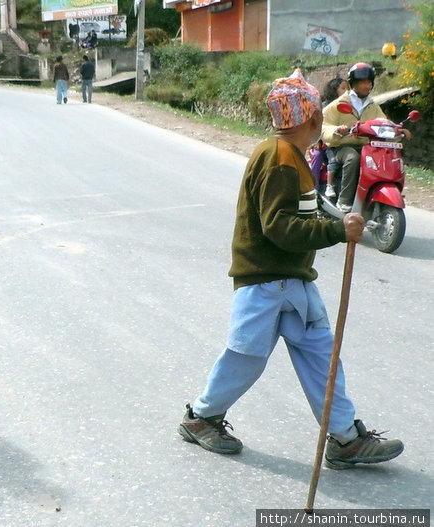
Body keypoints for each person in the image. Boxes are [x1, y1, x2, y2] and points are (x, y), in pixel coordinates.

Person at [178, 69, 403, 469]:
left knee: (321, 355)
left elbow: (308, 206)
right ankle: (201, 417)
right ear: (314, 118)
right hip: (265, 280)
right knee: (245, 358)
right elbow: (278, 226)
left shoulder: (290, 155)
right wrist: (336, 230)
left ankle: (346, 437)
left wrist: (341, 220)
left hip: (291, 281)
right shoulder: (280, 159)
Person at [321, 62, 411, 212]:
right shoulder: (337, 105)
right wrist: (337, 130)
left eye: (369, 82)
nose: (367, 85)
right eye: (363, 82)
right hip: (342, 147)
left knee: (384, 158)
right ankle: (344, 202)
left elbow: (383, 122)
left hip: (368, 146)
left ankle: (371, 195)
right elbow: (323, 127)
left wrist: (398, 130)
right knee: (352, 158)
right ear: (353, 84)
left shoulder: (373, 106)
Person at [321, 77, 348, 198]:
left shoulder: (349, 104)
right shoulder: (327, 107)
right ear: (334, 90)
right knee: (333, 161)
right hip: (330, 142)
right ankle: (329, 186)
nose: (346, 91)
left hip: (347, 141)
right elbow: (321, 126)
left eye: (348, 88)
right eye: (343, 88)